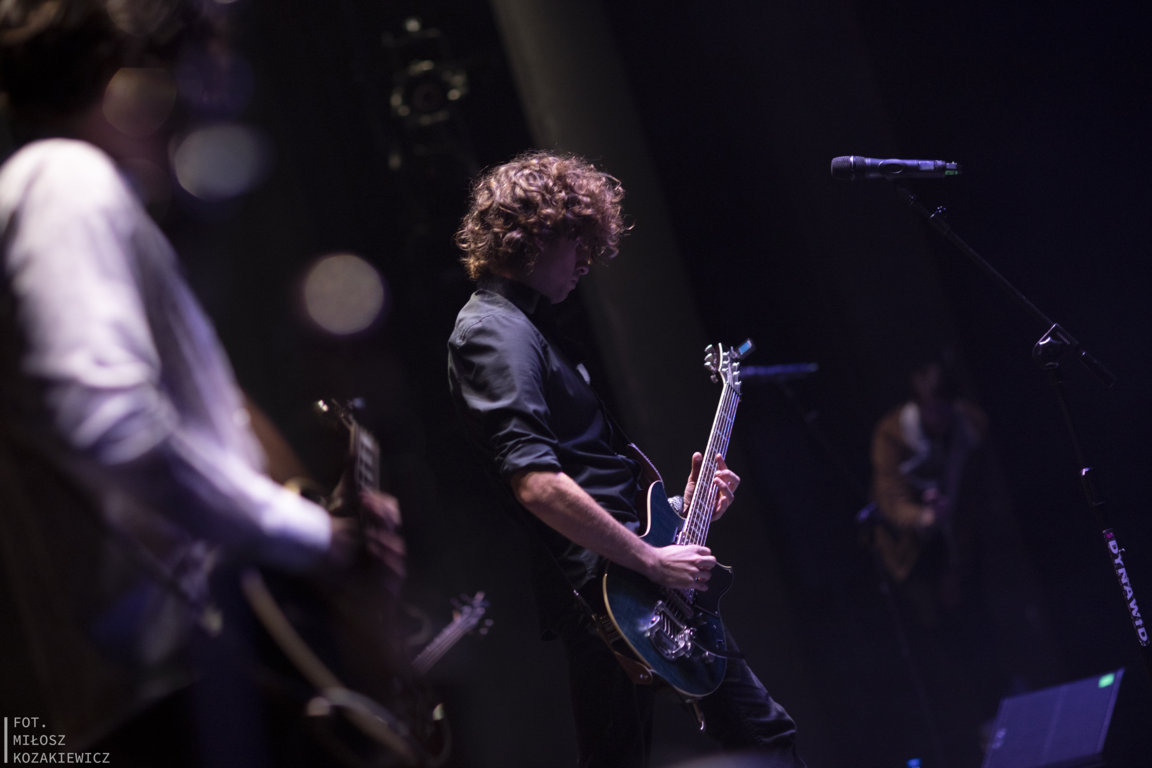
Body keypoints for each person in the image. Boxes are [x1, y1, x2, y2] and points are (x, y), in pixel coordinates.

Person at [0, 2, 404, 765]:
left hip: (177, 688)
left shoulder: (64, 191)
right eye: (193, 76)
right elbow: (113, 427)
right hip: (176, 695)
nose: (202, 107)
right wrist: (317, 539)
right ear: (127, 83)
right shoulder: (65, 180)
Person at [447, 150, 805, 767]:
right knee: (758, 738)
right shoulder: (492, 331)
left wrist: (680, 511)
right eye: (576, 241)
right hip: (609, 592)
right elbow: (535, 484)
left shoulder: (528, 329)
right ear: (532, 236)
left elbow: (590, 480)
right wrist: (652, 559)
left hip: (630, 581)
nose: (587, 260)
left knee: (744, 738)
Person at [868, 358, 1061, 767]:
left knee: (989, 625)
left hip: (967, 544)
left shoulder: (969, 428)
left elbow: (977, 488)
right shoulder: (892, 435)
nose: (937, 417)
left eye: (943, 408)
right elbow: (891, 499)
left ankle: (1013, 715)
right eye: (930, 409)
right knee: (947, 641)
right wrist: (924, 516)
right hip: (916, 555)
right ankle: (978, 734)